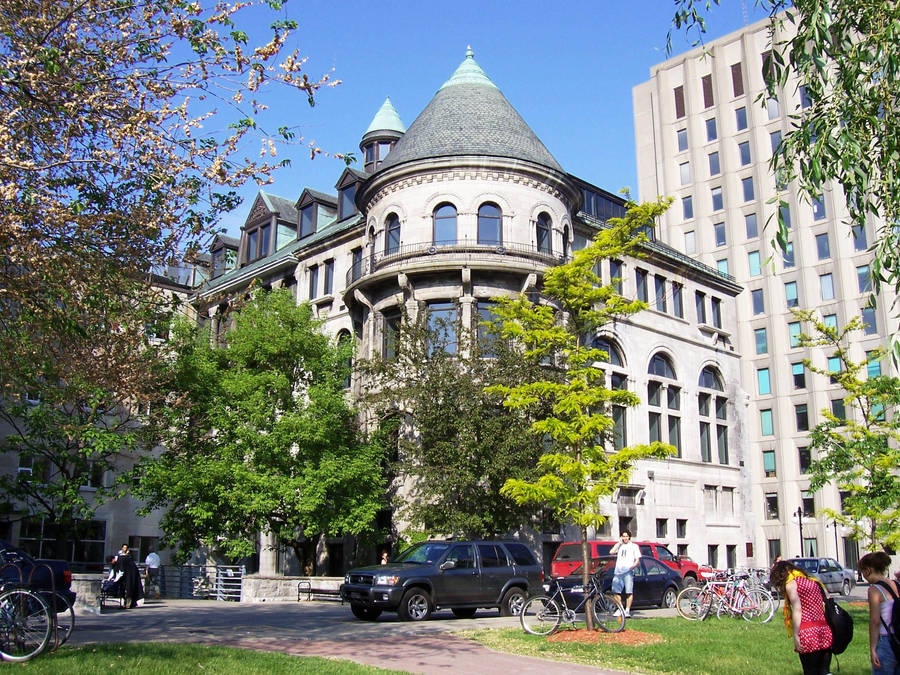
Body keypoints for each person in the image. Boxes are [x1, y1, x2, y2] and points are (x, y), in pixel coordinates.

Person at [769, 559, 832, 675]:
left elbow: (797, 609)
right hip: (824, 631)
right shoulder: (812, 581)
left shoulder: (792, 584)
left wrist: (796, 634)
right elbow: (827, 600)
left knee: (810, 671)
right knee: (825, 671)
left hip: (807, 633)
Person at [859, 551, 899, 675]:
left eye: (862, 571)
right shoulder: (896, 584)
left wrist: (873, 649)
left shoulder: (874, 590)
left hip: (885, 640)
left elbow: (875, 621)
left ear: (868, 570)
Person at [609, 529, 640, 618]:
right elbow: (611, 552)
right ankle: (620, 609)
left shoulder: (634, 546)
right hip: (618, 572)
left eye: (626, 536)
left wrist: (631, 567)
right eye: (623, 536)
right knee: (615, 591)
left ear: (629, 537)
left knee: (629, 592)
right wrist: (618, 543)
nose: (625, 538)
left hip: (628, 572)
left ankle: (627, 610)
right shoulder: (619, 545)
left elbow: (637, 560)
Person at [115, 544, 144, 609]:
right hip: (124, 576)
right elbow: (119, 566)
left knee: (129, 589)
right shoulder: (120, 556)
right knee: (123, 589)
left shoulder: (129, 557)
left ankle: (128, 603)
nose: (124, 549)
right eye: (123, 548)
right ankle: (124, 603)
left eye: (126, 548)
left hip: (130, 576)